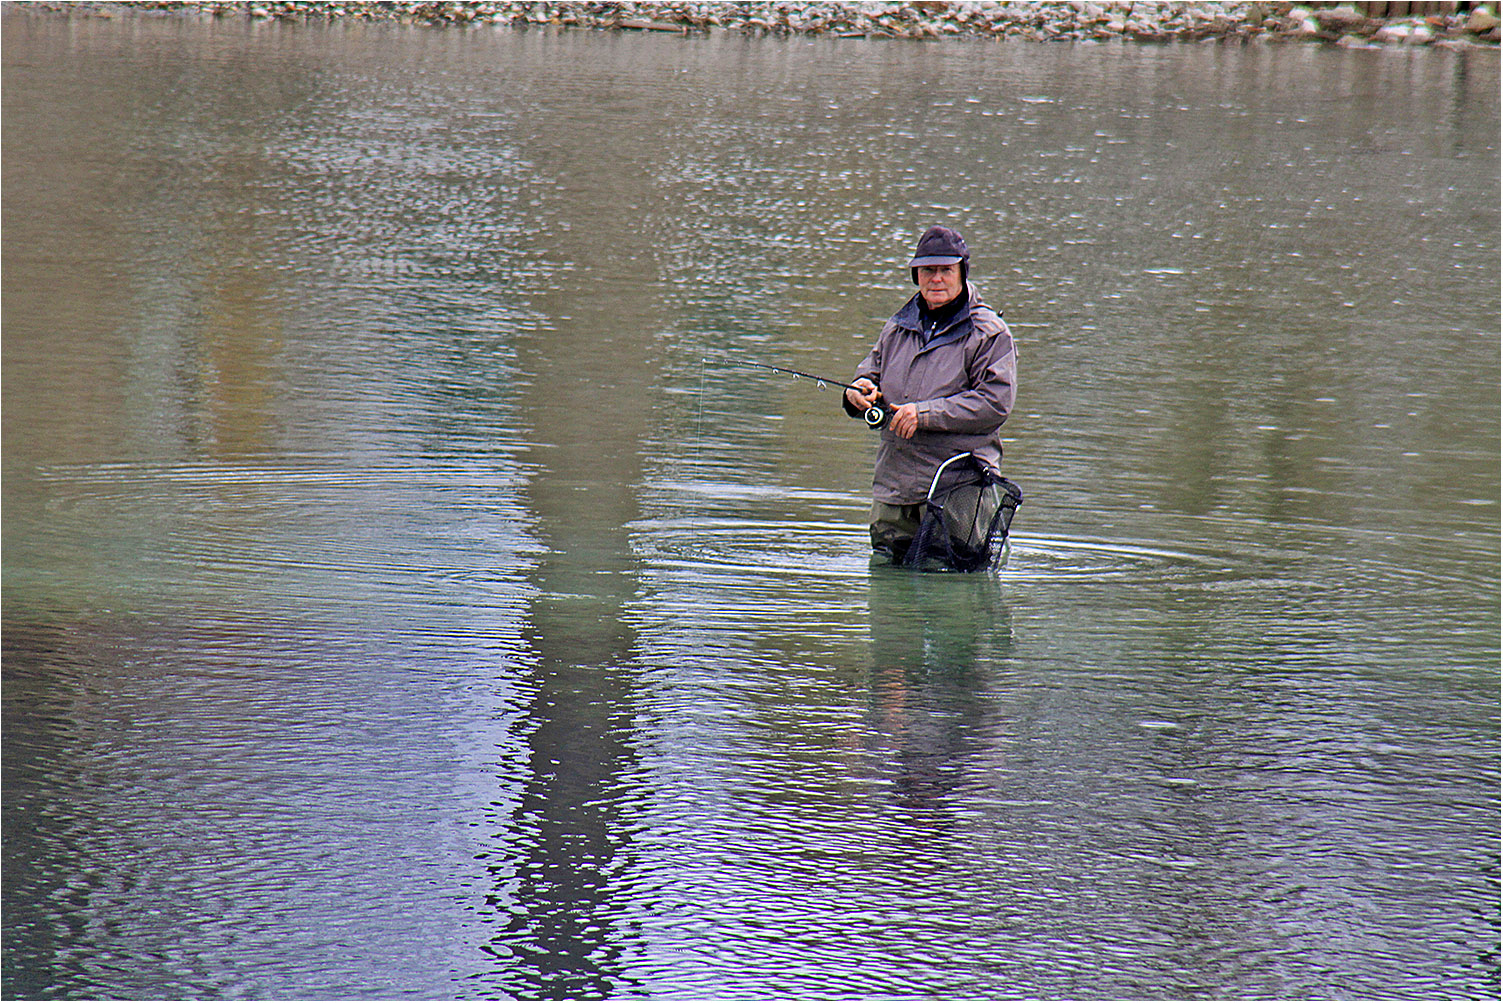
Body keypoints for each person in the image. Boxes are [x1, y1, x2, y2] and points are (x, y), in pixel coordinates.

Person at [843, 225, 1017, 562]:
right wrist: (857, 391)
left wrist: (923, 414)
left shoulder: (990, 334)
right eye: (927, 270)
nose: (936, 279)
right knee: (888, 595)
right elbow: (869, 372)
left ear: (962, 273)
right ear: (916, 275)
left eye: (945, 270)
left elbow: (994, 404)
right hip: (894, 489)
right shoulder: (897, 326)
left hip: (957, 491)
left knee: (951, 593)